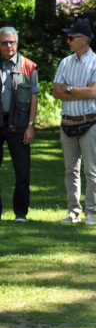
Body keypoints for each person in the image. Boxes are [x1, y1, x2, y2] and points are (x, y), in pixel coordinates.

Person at [52, 21, 96, 226]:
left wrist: (68, 89)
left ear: (84, 40)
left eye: (71, 37)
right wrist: (78, 91)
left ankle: (91, 212)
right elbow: (55, 91)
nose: (68, 41)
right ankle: (73, 211)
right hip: (67, 123)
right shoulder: (65, 62)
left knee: (91, 170)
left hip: (90, 123)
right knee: (70, 170)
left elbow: (93, 92)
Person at [0, 26, 38, 223]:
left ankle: (21, 213)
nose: (8, 46)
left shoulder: (29, 67)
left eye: (11, 42)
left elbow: (34, 98)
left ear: (17, 43)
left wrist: (31, 125)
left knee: (22, 172)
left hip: (20, 125)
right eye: (4, 42)